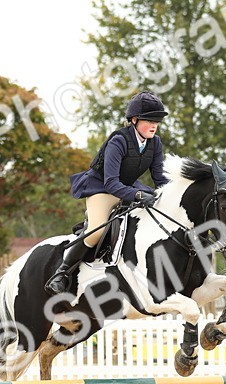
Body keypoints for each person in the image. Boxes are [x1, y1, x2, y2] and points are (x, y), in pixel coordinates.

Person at [46, 91, 171, 295]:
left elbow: (160, 179)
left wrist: (168, 195)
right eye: (149, 120)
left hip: (129, 187)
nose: (154, 124)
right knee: (96, 231)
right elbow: (111, 183)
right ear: (134, 120)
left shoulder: (155, 143)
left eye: (156, 120)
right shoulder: (119, 141)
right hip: (102, 188)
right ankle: (62, 272)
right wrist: (139, 195)